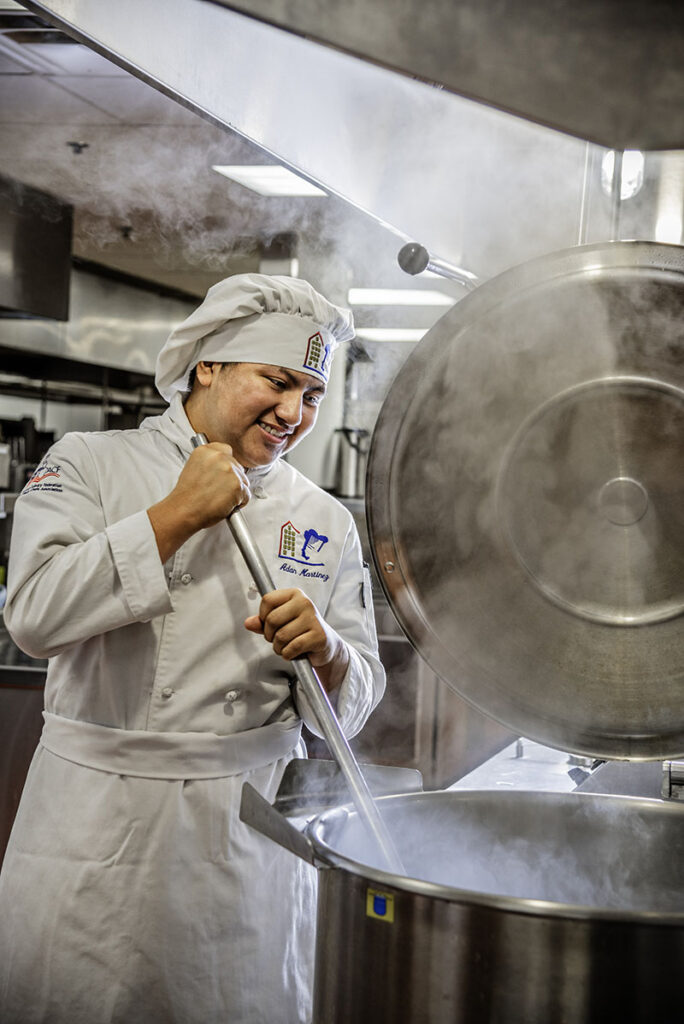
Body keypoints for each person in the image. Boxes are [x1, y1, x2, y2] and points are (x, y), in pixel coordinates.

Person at [0, 274, 385, 1024]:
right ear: (208, 364)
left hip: (241, 839)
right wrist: (174, 515)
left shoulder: (324, 518)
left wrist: (331, 652)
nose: (293, 414)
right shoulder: (90, 462)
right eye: (277, 381)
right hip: (95, 829)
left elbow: (358, 702)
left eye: (311, 395)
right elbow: (33, 618)